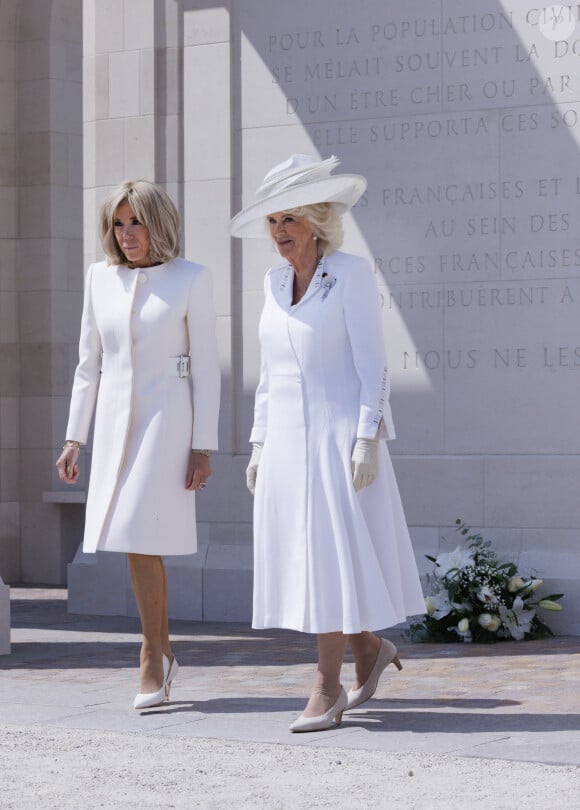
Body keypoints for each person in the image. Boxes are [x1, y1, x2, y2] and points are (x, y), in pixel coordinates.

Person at [229, 155, 425, 732]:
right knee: (308, 560)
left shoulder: (352, 274)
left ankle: (327, 685)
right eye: (271, 221)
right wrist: (259, 442)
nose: (279, 230)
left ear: (315, 220)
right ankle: (367, 648)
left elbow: (374, 366)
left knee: (330, 559)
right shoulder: (271, 283)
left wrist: (367, 438)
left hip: (341, 438)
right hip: (288, 441)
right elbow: (269, 372)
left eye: (289, 218)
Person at [56, 180, 220, 710]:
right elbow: (89, 364)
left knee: (137, 534)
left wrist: (204, 445)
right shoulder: (99, 279)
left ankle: (153, 654)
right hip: (113, 425)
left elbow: (208, 369)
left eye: (137, 222)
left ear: (159, 224)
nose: (126, 234)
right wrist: (73, 437)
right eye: (118, 224)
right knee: (132, 537)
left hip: (167, 423)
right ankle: (161, 652)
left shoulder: (191, 278)